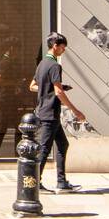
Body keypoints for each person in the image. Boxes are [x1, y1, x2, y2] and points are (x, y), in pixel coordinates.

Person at [33, 32, 85, 193]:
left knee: (63, 144)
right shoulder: (55, 66)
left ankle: (61, 182)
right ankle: (34, 184)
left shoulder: (42, 64)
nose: (63, 51)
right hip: (50, 113)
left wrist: (52, 89)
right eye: (62, 47)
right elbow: (58, 93)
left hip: (43, 110)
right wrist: (75, 111)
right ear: (55, 46)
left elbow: (33, 86)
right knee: (44, 149)